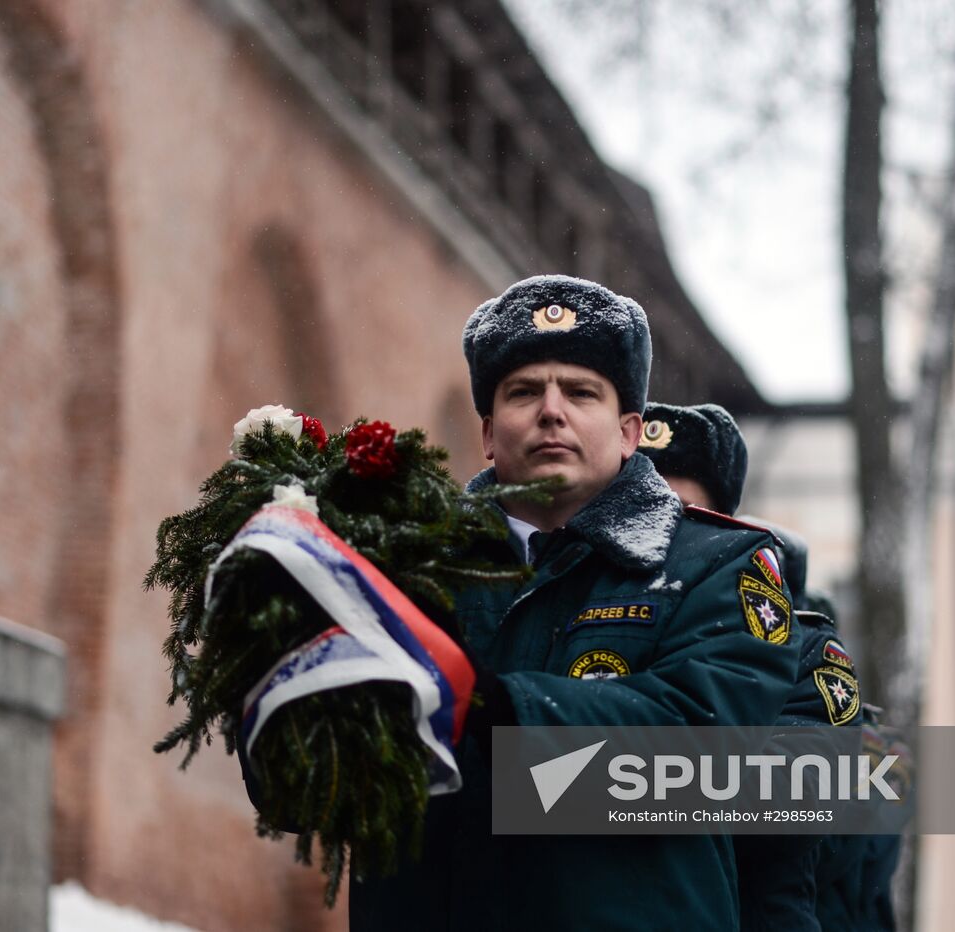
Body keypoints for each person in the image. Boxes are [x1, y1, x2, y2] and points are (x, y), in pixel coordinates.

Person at [345, 275, 802, 931]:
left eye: (581, 392)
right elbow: (323, 780)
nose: (550, 411)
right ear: (488, 435)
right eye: (524, 392)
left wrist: (509, 710)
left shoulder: (717, 565)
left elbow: (707, 753)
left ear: (628, 433)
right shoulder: (412, 571)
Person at [637, 402, 865, 931]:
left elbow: (804, 796)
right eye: (644, 513)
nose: (664, 539)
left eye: (686, 515)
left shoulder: (802, 644)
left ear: (725, 530)